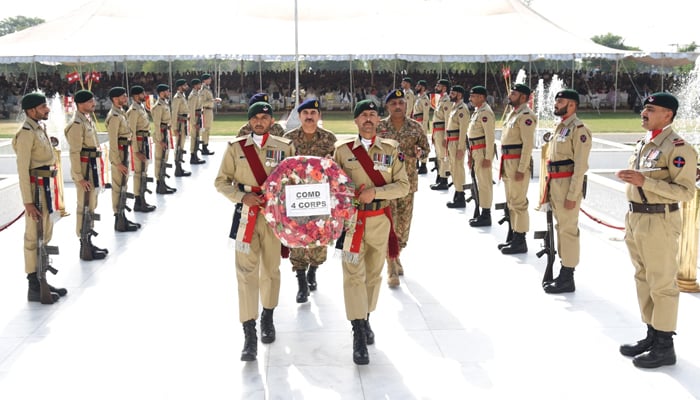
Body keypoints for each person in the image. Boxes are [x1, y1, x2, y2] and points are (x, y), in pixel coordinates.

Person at [616, 93, 697, 369]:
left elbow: (686, 192)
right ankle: (652, 334)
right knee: (643, 278)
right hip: (636, 218)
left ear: (668, 115)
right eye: (644, 109)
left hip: (659, 222)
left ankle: (665, 345)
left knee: (662, 284)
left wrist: (644, 182)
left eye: (650, 109)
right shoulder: (645, 144)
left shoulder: (678, 148)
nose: (643, 112)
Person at [214, 101, 295, 362]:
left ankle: (267, 317)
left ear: (272, 121)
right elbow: (221, 181)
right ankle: (248, 333)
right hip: (246, 216)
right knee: (246, 274)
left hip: (273, 217)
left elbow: (295, 182)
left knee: (270, 270)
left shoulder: (285, 148)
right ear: (249, 122)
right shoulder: (235, 148)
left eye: (264, 117)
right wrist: (240, 197)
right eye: (255, 118)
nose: (259, 121)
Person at [334, 99, 409, 365]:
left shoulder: (392, 149)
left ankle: (366, 317)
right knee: (352, 275)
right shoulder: (342, 151)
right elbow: (332, 186)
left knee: (373, 275)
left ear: (379, 120)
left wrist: (375, 192)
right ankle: (357, 331)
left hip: (379, 219)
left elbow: (403, 186)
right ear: (355, 121)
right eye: (362, 115)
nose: (368, 118)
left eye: (372, 114)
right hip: (352, 221)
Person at [12, 93, 68, 304]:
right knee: (33, 237)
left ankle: (42, 277)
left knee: (45, 233)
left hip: (46, 187)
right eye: (43, 106)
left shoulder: (38, 128)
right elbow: (22, 169)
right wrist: (27, 202)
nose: (48, 109)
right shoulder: (26, 133)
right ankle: (34, 285)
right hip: (35, 190)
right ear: (31, 110)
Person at [282, 98, 337, 302]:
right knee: (296, 240)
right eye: (305, 113)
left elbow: (337, 169)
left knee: (319, 240)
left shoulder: (330, 139)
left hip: (320, 200)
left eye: (313, 113)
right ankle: (301, 282)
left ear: (319, 116)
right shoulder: (289, 139)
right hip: (296, 201)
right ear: (299, 116)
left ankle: (313, 270)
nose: (309, 117)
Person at [376, 89, 430, 287]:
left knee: (404, 227)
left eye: (401, 103)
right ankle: (391, 265)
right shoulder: (379, 127)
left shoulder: (415, 127)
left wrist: (420, 153)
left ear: (406, 105)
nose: (397, 106)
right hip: (386, 184)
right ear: (388, 107)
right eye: (393, 103)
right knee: (389, 224)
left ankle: (396, 254)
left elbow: (426, 150)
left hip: (408, 183)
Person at [541, 89, 592, 294]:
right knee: (560, 228)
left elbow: (580, 166)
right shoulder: (560, 127)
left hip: (567, 184)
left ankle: (567, 275)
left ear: (572, 105)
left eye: (560, 101)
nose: (555, 104)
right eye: (556, 100)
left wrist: (572, 195)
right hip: (555, 183)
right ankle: (563, 270)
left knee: (568, 230)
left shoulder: (579, 129)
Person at [64, 90, 108, 260]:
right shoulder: (76, 124)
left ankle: (89, 240)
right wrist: (79, 177)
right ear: (81, 104)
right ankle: (84, 245)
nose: (93, 103)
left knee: (91, 206)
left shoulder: (86, 120)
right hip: (84, 170)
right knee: (84, 207)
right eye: (90, 101)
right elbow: (74, 152)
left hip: (92, 167)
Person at [499, 84, 536, 254]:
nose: (510, 95)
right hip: (508, 161)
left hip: (517, 163)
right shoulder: (513, 114)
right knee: (511, 201)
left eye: (513, 93)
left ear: (523, 97)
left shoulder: (526, 116)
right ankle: (514, 235)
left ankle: (520, 240)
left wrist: (522, 168)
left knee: (519, 203)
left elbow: (528, 145)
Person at [105, 86, 140, 232]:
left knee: (123, 186)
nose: (126, 98)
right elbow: (112, 141)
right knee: (118, 187)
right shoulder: (114, 116)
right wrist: (117, 162)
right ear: (115, 99)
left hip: (124, 151)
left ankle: (123, 217)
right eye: (123, 96)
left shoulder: (121, 113)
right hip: (118, 154)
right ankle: (118, 219)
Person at [467, 85, 496, 227]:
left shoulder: (485, 113)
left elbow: (490, 138)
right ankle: (481, 210)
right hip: (475, 150)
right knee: (479, 182)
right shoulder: (478, 111)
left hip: (482, 151)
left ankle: (486, 214)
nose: (470, 99)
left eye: (473, 96)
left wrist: (488, 158)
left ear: (481, 97)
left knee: (484, 184)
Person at [126, 85, 156, 212]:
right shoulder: (133, 110)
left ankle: (142, 199)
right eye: (142, 94)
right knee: (139, 173)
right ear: (136, 95)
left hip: (144, 141)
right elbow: (131, 131)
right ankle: (138, 201)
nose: (145, 96)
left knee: (144, 172)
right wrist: (136, 150)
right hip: (138, 143)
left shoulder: (141, 107)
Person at [444, 85, 470, 209]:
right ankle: (457, 192)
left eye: (453, 93)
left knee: (458, 168)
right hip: (451, 141)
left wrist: (460, 148)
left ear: (459, 95)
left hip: (456, 142)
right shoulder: (455, 107)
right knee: (453, 168)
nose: (450, 95)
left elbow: (463, 130)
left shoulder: (462, 109)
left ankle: (460, 195)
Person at [151, 84, 176, 194]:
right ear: (161, 93)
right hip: (161, 134)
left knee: (164, 159)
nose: (169, 93)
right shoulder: (158, 106)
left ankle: (163, 182)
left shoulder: (164, 104)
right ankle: (159, 184)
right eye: (167, 91)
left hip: (165, 132)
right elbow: (156, 124)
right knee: (159, 160)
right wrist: (159, 140)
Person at [430, 79, 452, 190]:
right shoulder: (440, 100)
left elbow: (448, 119)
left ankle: (444, 180)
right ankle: (440, 177)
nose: (436, 87)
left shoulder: (447, 100)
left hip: (442, 130)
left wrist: (445, 137)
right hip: (437, 131)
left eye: (438, 86)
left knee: (443, 156)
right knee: (439, 155)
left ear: (444, 88)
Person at [171, 79, 191, 177]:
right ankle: (178, 169)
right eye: (184, 85)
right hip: (179, 124)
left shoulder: (182, 96)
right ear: (179, 87)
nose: (186, 86)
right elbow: (174, 113)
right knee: (178, 146)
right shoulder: (177, 98)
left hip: (183, 123)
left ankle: (180, 168)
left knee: (181, 145)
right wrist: (174, 128)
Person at [199, 73, 221, 155]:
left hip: (209, 110)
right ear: (204, 80)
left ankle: (206, 146)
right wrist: (214, 100)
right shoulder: (203, 90)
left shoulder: (207, 89)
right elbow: (202, 103)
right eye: (208, 79)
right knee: (205, 130)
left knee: (208, 129)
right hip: (205, 110)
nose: (210, 80)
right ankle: (204, 147)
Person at [413, 79, 431, 174]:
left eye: (418, 86)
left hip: (421, 123)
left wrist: (423, 127)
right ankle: (417, 162)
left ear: (423, 88)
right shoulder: (419, 98)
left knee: (422, 144)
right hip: (416, 122)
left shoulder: (425, 99)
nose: (416, 87)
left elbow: (426, 115)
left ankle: (423, 165)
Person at [187, 78, 206, 165]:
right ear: (195, 85)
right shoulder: (193, 96)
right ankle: (193, 156)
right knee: (194, 138)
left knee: (197, 138)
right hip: (195, 118)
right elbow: (191, 110)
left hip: (198, 117)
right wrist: (194, 123)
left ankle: (195, 155)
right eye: (199, 84)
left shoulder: (197, 94)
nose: (200, 85)